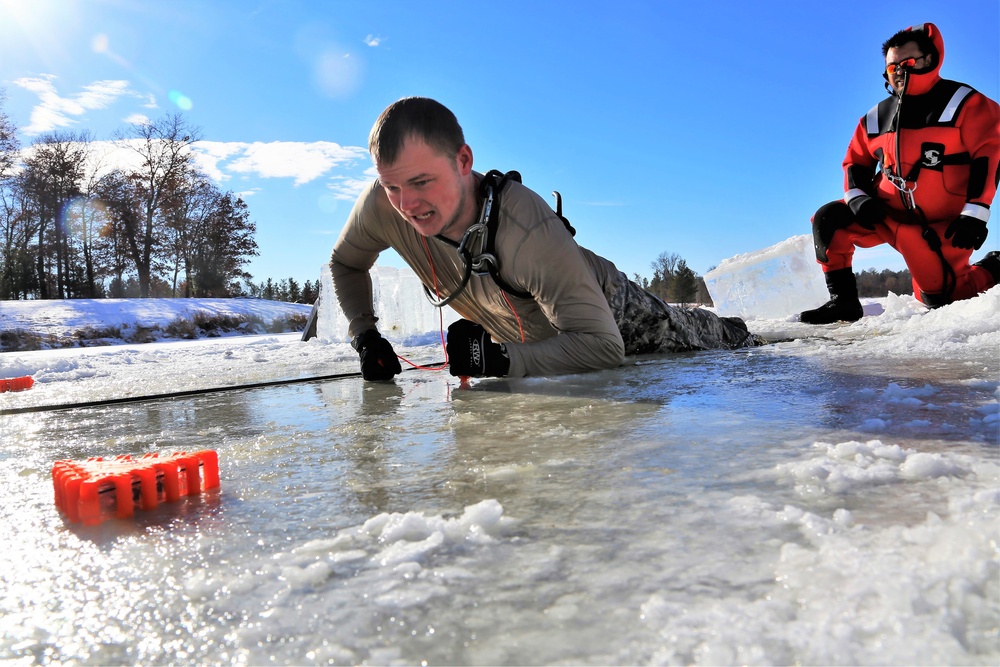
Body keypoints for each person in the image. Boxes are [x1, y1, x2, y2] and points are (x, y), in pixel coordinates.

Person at [329, 97, 757, 381]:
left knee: (703, 332)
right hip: (541, 328)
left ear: (463, 160)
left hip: (620, 312)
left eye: (422, 181)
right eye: (392, 186)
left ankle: (744, 329)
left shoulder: (524, 228)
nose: (407, 203)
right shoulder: (381, 205)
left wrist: (499, 361)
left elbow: (604, 346)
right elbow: (345, 262)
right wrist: (365, 336)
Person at [800, 22, 1000, 325]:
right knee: (829, 219)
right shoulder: (875, 117)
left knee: (941, 299)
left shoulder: (967, 104)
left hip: (940, 227)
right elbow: (854, 163)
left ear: (930, 60)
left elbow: (992, 154)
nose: (899, 72)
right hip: (886, 214)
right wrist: (858, 200)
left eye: (907, 64)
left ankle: (994, 267)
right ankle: (843, 303)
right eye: (892, 67)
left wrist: (976, 212)